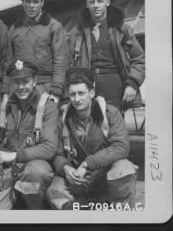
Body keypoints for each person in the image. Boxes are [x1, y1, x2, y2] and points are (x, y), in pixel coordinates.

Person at [46, 67, 138, 210]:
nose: (77, 99)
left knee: (124, 169)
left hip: (103, 176)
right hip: (76, 177)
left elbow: (121, 147)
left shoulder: (110, 113)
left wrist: (88, 164)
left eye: (81, 93)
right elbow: (57, 153)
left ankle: (121, 216)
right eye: (72, 94)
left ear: (92, 92)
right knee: (54, 192)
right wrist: (65, 168)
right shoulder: (63, 117)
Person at [0, 59, 58, 210]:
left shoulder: (47, 107)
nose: (21, 87)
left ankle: (37, 214)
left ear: (34, 81)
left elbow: (49, 148)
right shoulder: (4, 107)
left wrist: (15, 155)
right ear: (11, 83)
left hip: (34, 167)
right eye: (16, 82)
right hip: (9, 171)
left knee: (35, 172)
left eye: (26, 81)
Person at [67, 0, 145, 111]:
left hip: (114, 83)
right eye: (92, 2)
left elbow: (139, 59)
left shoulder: (122, 30)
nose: (96, 5)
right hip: (86, 83)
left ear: (107, 2)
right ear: (87, 5)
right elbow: (68, 63)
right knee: (89, 125)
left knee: (114, 123)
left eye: (100, 1)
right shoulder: (77, 33)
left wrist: (133, 83)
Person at [4, 0, 69, 105]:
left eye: (35, 1)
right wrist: (6, 92)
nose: (31, 6)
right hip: (21, 86)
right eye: (28, 2)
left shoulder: (54, 27)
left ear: (42, 2)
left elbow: (60, 61)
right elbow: (8, 63)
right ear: (22, 3)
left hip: (46, 86)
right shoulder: (15, 29)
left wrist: (56, 91)